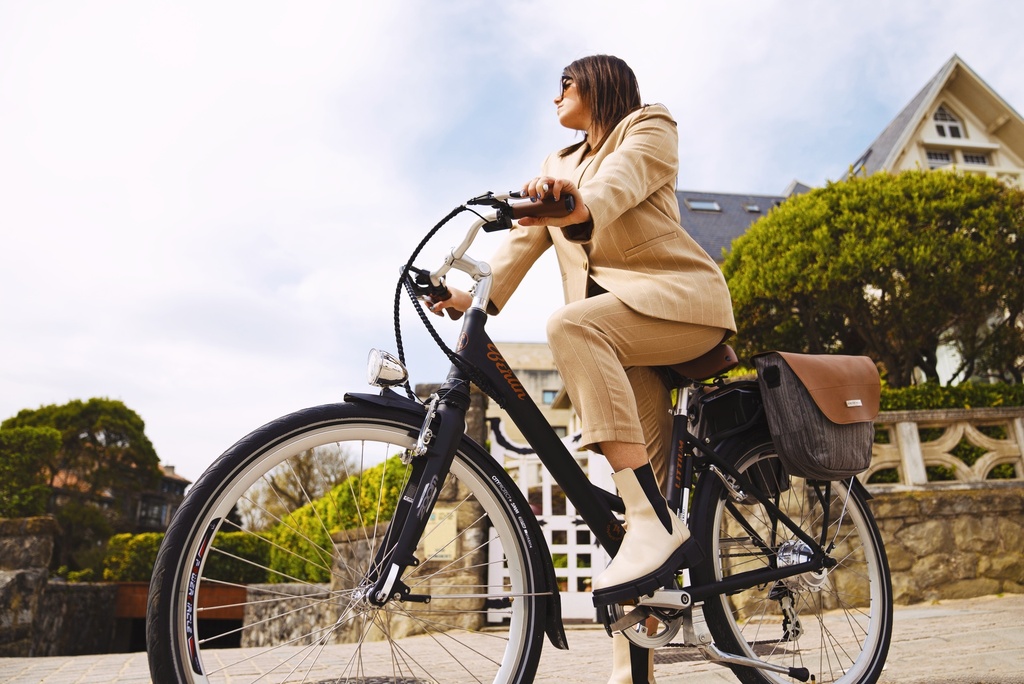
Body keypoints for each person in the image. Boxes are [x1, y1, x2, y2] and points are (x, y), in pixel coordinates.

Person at [427, 54, 736, 684]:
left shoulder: (650, 126)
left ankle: (656, 525)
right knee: (628, 506)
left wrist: (573, 203)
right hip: (616, 334)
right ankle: (633, 668)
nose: (555, 98)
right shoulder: (556, 164)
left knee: (570, 324)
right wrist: (471, 295)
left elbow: (614, 187)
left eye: (563, 85)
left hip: (678, 307)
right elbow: (522, 241)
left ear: (597, 84)